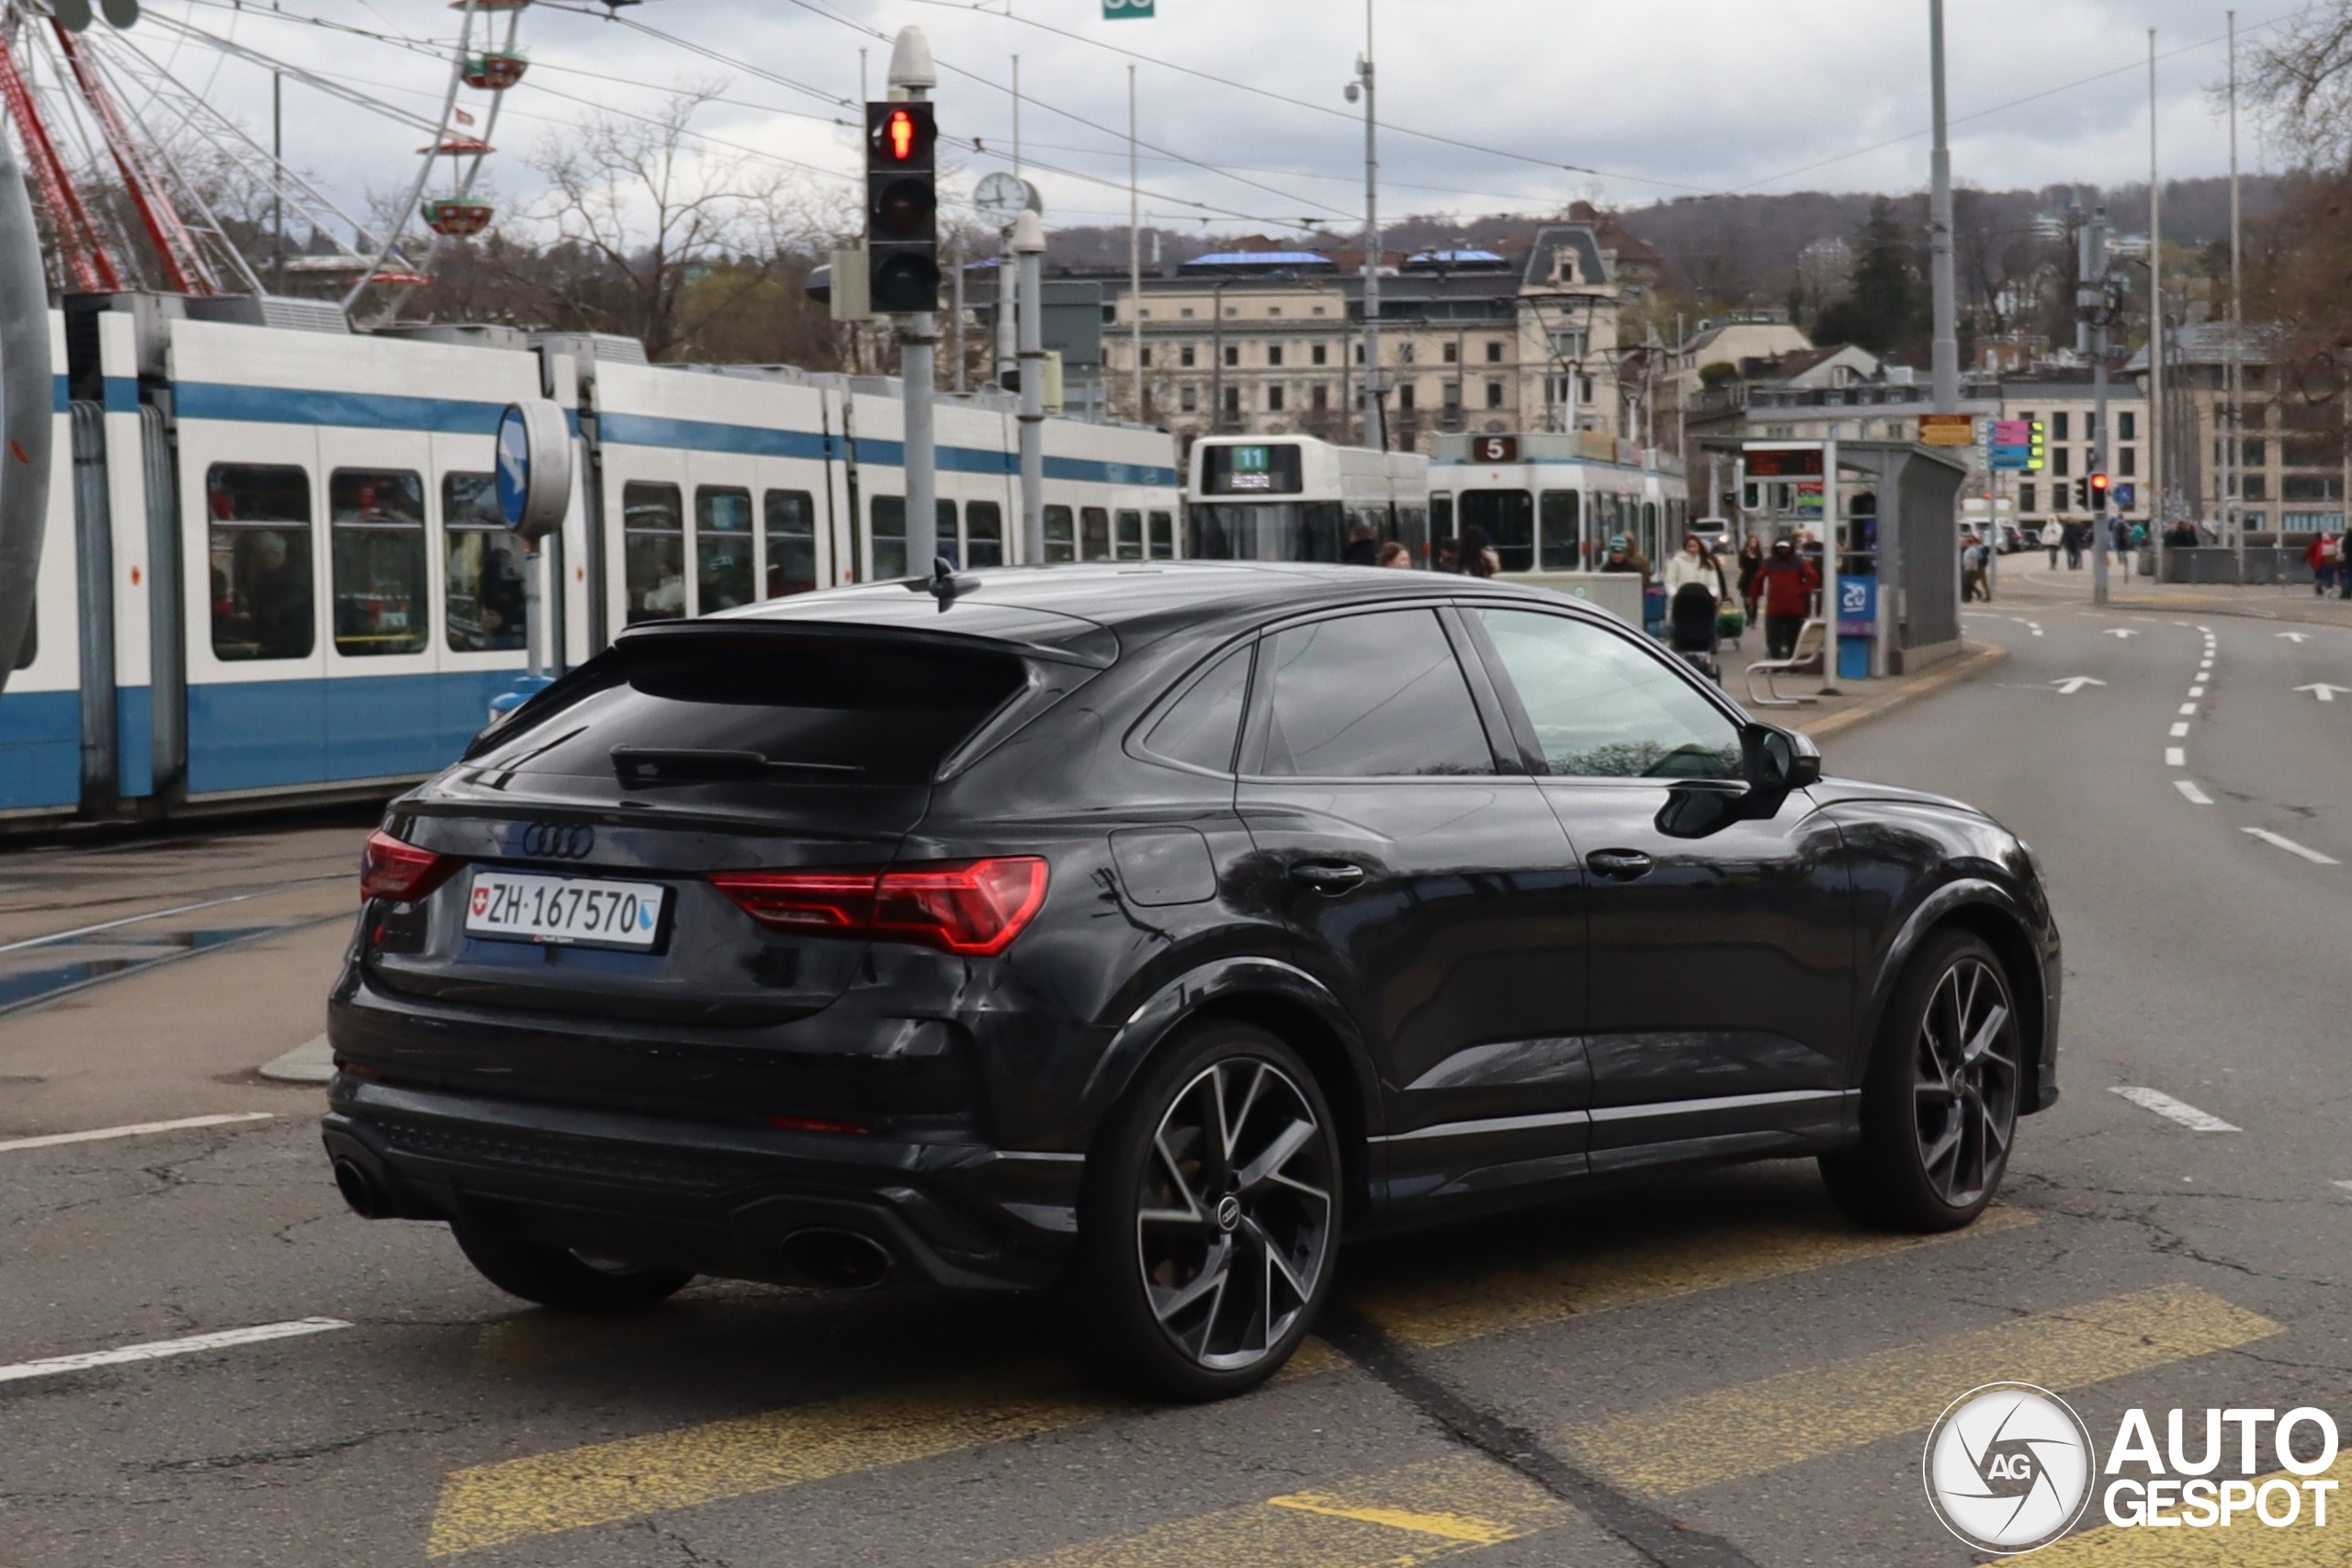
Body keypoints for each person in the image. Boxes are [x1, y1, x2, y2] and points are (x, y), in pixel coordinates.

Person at [1753, 536, 1820, 660]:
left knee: (1786, 637)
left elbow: (1813, 578)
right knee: (1781, 637)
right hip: (1784, 607)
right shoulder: (1797, 562)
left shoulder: (1776, 562)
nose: (1783, 550)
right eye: (1781, 548)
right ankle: (1784, 662)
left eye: (1785, 547)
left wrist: (1754, 596)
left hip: (1785, 607)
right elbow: (1758, 579)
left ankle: (1782, 662)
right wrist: (1802, 590)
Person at [1662, 532, 1725, 605]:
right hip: (1682, 602)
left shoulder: (1706, 563)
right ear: (1685, 548)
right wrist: (1675, 595)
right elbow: (1670, 581)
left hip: (1703, 602)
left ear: (1699, 547)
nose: (1692, 549)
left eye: (1694, 546)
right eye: (1689, 546)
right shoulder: (1676, 561)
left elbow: (1713, 583)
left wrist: (1710, 595)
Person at [1736, 534, 1766, 616]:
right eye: (1751, 541)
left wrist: (1753, 557)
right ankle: (1748, 616)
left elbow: (1760, 564)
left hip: (1755, 577)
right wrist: (1747, 556)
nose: (1753, 543)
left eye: (1755, 541)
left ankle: (1753, 616)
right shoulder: (1743, 552)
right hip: (1746, 577)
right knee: (1746, 597)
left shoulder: (1758, 553)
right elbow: (1741, 564)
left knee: (1754, 599)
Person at [2308, 529, 2339, 598]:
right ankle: (2330, 587)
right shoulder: (2333, 543)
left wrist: (2317, 564)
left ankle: (2326, 589)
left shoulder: (2322, 545)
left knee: (2324, 576)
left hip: (2324, 562)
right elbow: (2337, 553)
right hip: (2332, 562)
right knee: (2330, 576)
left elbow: (2318, 556)